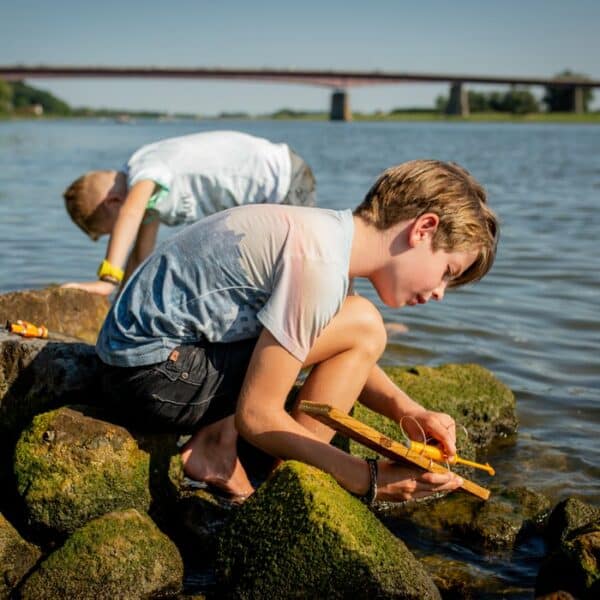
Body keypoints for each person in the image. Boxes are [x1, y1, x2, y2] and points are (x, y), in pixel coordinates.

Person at [96, 159, 499, 504]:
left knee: (359, 325)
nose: (440, 293)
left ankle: (219, 447)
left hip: (136, 367)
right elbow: (256, 415)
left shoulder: (327, 237)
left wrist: (408, 411)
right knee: (364, 325)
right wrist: (368, 477)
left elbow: (326, 342)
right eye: (448, 272)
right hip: (152, 376)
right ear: (423, 229)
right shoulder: (319, 265)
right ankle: (282, 487)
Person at [61, 130, 316, 295]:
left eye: (112, 230)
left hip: (282, 180)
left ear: (113, 202)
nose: (120, 235)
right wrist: (120, 306)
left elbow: (131, 213)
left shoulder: (143, 168)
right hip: (262, 200)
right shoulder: (150, 198)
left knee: (296, 274)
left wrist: (108, 279)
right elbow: (140, 257)